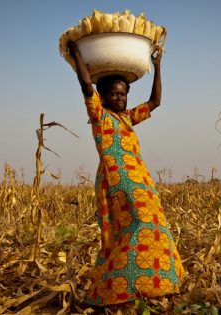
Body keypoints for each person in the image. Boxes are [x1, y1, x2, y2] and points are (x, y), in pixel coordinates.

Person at [67, 41, 184, 306]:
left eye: (123, 94)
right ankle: (121, 284)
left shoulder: (128, 118)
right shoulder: (100, 116)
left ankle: (156, 282)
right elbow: (87, 87)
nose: (120, 98)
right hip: (118, 179)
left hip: (141, 178)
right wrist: (77, 57)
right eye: (114, 94)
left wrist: (157, 65)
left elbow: (155, 102)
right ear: (104, 97)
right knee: (137, 224)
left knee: (155, 223)